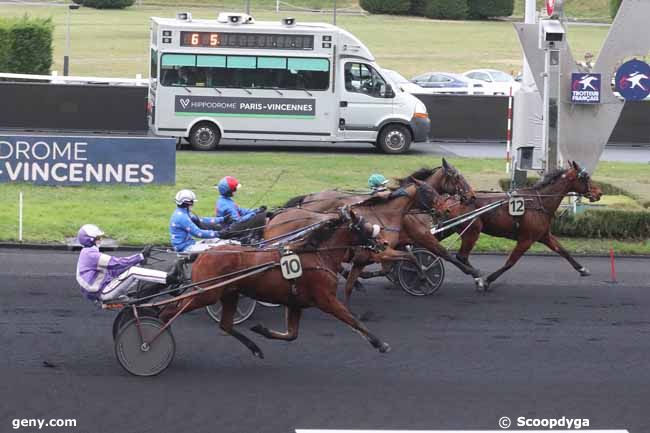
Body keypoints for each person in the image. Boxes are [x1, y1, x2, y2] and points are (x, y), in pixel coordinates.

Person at [75, 224, 182, 302]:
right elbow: (117, 263)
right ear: (90, 240)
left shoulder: (87, 253)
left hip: (102, 288)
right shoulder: (91, 255)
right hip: (103, 292)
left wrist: (139, 261)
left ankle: (162, 284)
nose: (101, 239)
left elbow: (114, 270)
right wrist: (140, 256)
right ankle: (169, 279)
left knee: (134, 268)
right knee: (133, 271)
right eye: (98, 238)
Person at [215, 176, 268, 243]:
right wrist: (254, 214)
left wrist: (255, 210)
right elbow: (238, 221)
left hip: (231, 225)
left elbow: (239, 210)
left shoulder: (224, 200)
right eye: (234, 190)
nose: (235, 191)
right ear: (228, 191)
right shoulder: (227, 205)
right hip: (230, 230)